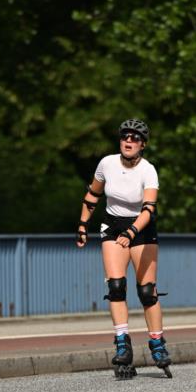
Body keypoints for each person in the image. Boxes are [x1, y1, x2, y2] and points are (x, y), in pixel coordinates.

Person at [76, 118, 172, 378]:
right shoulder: (106, 164)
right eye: (125, 136)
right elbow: (93, 195)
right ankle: (122, 344)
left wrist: (131, 232)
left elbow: (149, 209)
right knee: (116, 287)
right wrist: (83, 224)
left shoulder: (148, 170)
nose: (129, 141)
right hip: (112, 225)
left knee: (147, 292)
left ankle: (157, 343)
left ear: (143, 145)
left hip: (141, 228)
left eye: (135, 138)